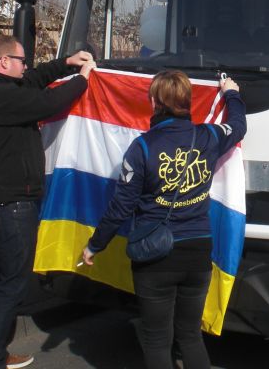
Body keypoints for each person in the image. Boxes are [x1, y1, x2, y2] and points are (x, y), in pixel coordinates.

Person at [81, 70, 246, 369]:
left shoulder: (142, 147)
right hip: (198, 252)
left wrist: (95, 245)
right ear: (187, 100)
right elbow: (238, 126)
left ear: (154, 102)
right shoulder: (209, 136)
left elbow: (121, 207)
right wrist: (231, 93)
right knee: (190, 336)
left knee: (157, 339)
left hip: (155, 257)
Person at [0, 35, 96, 369]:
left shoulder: (2, 85)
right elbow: (48, 103)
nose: (26, 66)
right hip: (10, 205)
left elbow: (36, 79)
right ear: (3, 62)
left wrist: (66, 63)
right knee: (9, 286)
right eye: (22, 60)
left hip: (7, 203)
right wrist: (82, 79)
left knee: (1, 283)